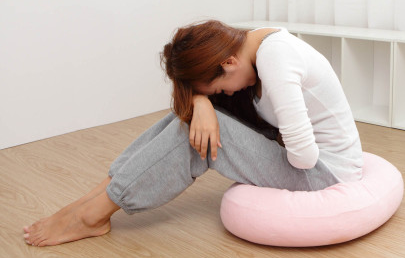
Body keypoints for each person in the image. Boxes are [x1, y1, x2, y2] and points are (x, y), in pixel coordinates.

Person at [23, 20, 363, 246]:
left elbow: (304, 156)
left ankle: (91, 215)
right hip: (313, 164)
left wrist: (233, 130)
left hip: (322, 172)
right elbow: (221, 92)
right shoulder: (252, 45)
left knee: (197, 139)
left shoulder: (276, 58)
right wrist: (201, 103)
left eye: (217, 88)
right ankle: (97, 197)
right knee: (189, 121)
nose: (225, 94)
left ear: (228, 62)